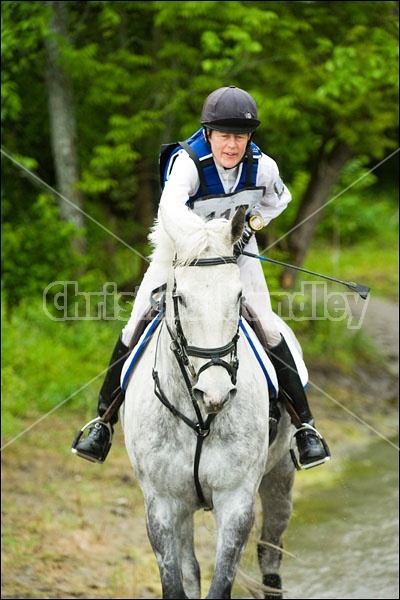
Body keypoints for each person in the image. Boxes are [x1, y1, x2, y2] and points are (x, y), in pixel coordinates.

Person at [72, 85, 330, 468]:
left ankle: (306, 427)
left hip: (236, 252)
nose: (232, 145)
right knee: (136, 322)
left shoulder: (264, 167)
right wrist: (202, 242)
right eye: (225, 135)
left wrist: (249, 228)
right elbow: (169, 208)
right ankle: (103, 422)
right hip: (181, 252)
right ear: (209, 133)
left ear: (249, 138)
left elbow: (280, 200)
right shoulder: (189, 163)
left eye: (240, 136)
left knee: (269, 328)